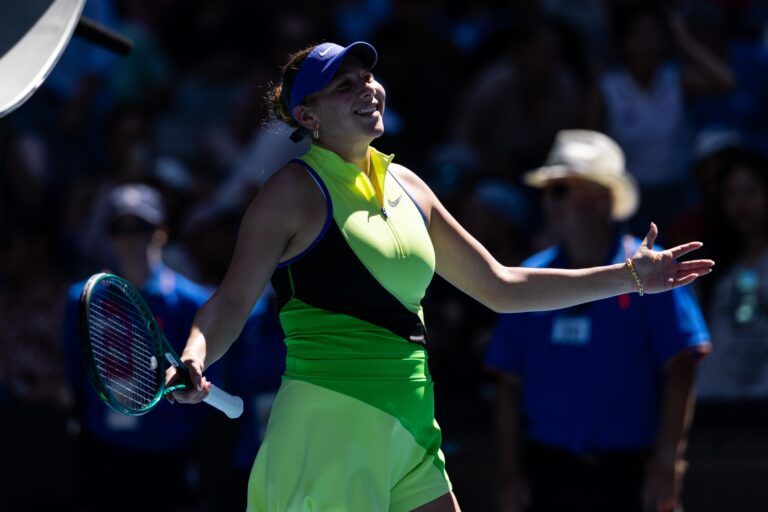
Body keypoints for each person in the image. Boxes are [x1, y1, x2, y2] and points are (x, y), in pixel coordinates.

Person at [166, 42, 714, 512]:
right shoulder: (290, 192)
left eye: (369, 77)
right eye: (344, 85)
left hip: (411, 422)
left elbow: (500, 287)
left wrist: (628, 277)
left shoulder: (410, 185)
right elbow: (233, 300)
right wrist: (194, 356)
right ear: (307, 116)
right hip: (330, 426)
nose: (368, 89)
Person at [484, 130, 711, 512]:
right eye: (548, 190)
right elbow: (508, 383)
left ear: (603, 200)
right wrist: (510, 472)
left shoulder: (653, 273)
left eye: (561, 190)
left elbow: (681, 364)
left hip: (630, 475)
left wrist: (667, 461)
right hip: (548, 472)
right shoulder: (528, 275)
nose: (549, 202)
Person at [62, 183, 215, 512]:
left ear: (160, 232)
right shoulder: (82, 298)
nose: (130, 239)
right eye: (120, 228)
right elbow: (76, 370)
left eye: (141, 227)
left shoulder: (191, 302)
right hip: (103, 448)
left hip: (167, 452)